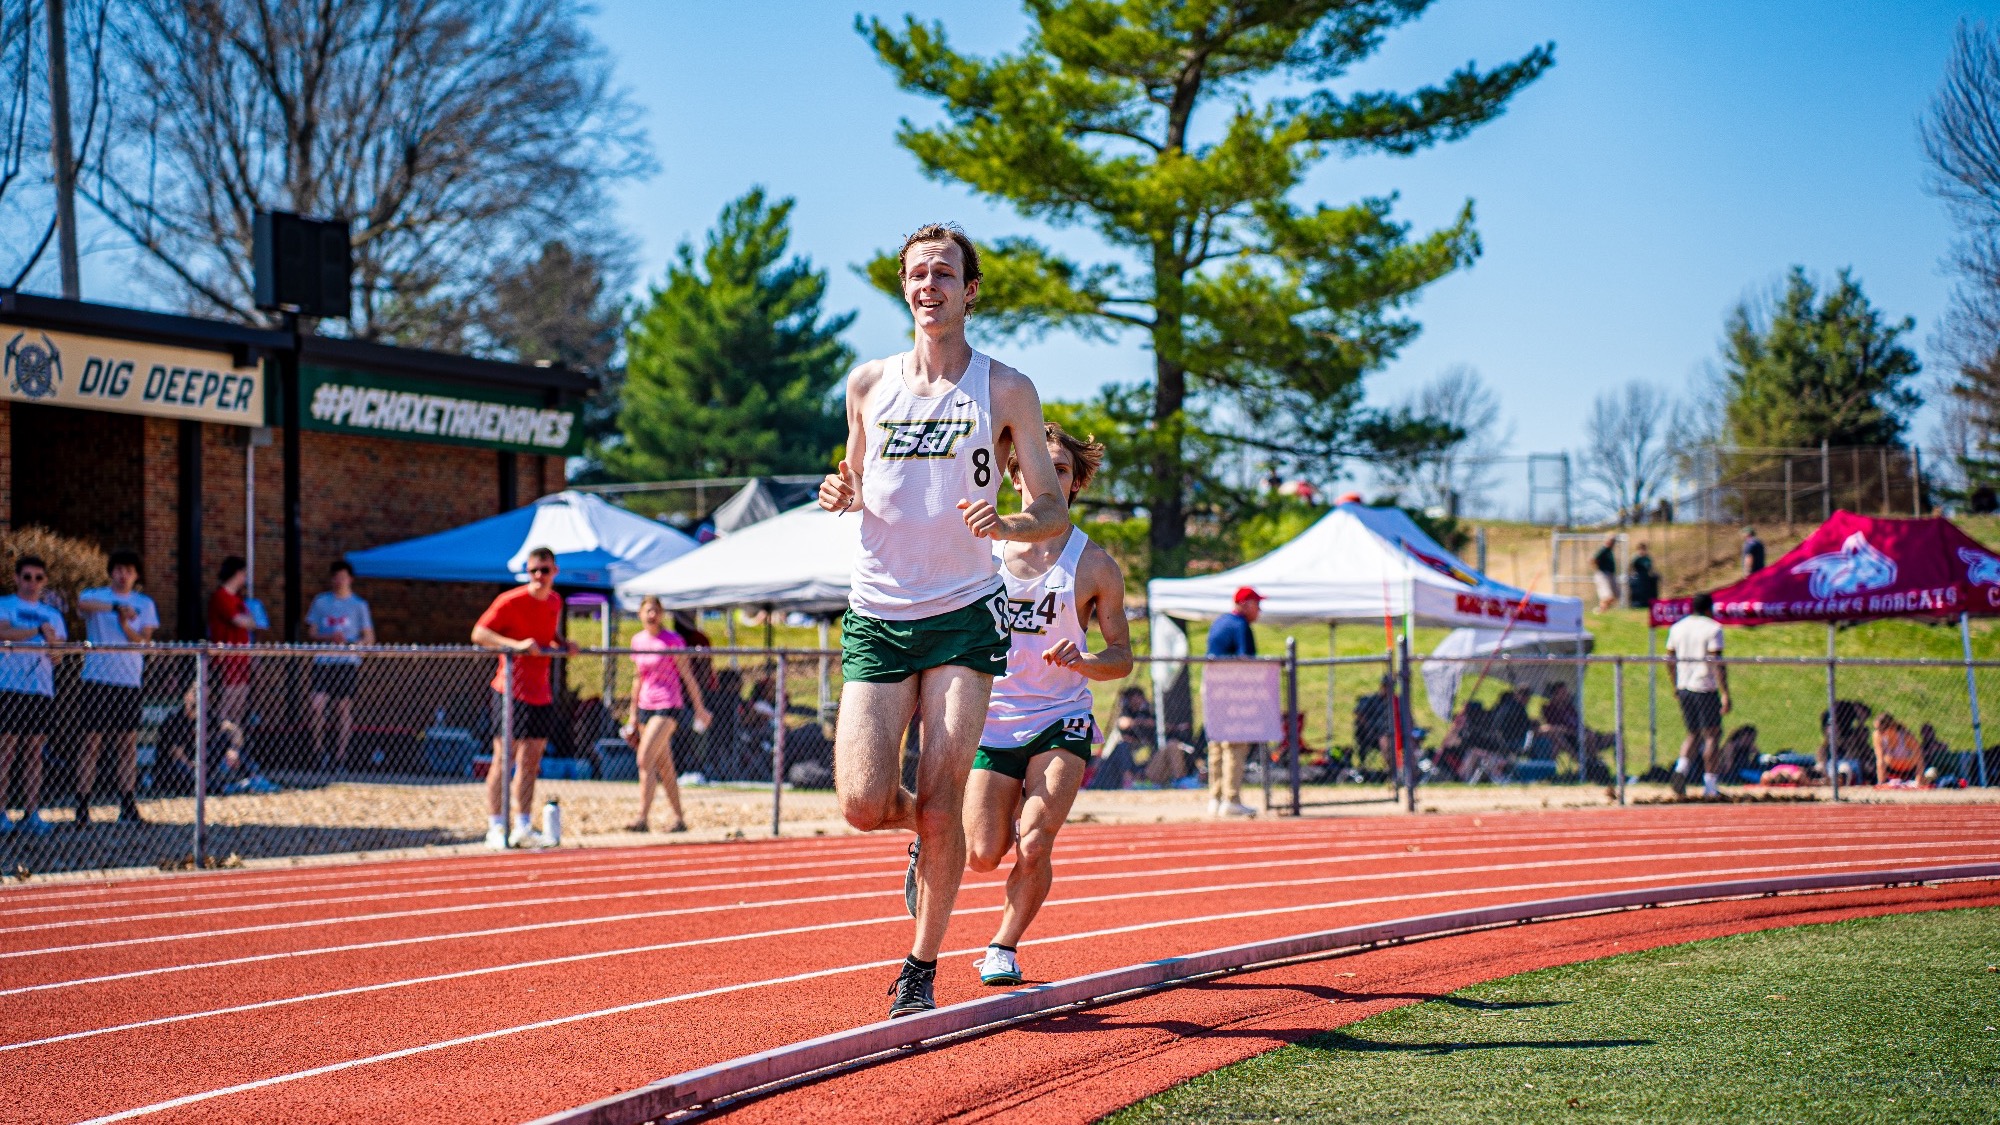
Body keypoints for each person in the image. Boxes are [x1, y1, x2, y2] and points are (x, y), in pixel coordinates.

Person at [817, 222, 1068, 1018]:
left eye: (946, 273)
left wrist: (1010, 526)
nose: (931, 286)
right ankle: (931, 837)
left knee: (940, 789)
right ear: (904, 287)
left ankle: (919, 968)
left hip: (964, 611)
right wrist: (839, 491)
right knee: (862, 802)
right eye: (918, 274)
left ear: (971, 290)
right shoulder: (868, 384)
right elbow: (854, 475)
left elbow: (1052, 506)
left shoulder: (1006, 388)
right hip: (878, 611)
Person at [963, 423, 1131, 987]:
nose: (1047, 478)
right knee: (983, 854)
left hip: (1061, 719)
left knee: (1034, 840)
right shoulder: (980, 553)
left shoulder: (1095, 566)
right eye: (1037, 467)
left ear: (1076, 481)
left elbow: (1123, 658)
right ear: (1015, 476)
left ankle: (1002, 946)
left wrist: (1084, 662)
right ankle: (930, 841)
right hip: (991, 720)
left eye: (1060, 469)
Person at [470, 546, 577, 848]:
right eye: (534, 571)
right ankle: (495, 825)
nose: (540, 576)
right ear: (527, 573)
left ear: (555, 571)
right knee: (503, 758)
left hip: (540, 692)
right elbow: (479, 633)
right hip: (510, 690)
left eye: (545, 570)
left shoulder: (555, 601)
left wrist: (564, 643)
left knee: (531, 761)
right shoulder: (510, 600)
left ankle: (523, 824)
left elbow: (549, 635)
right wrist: (515, 645)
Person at [75, 550, 159, 825]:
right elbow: (81, 604)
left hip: (128, 681)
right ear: (111, 571)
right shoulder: (96, 596)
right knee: (91, 743)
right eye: (119, 569)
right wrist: (114, 608)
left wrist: (124, 624)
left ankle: (127, 802)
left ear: (136, 575)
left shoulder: (143, 603)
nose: (123, 575)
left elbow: (144, 641)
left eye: (130, 570)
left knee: (127, 744)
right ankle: (83, 805)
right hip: (97, 679)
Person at [625, 595, 711, 833]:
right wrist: (632, 714)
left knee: (645, 758)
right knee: (664, 765)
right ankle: (679, 818)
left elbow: (687, 676)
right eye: (648, 611)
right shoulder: (638, 640)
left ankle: (642, 817)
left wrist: (699, 707)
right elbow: (638, 678)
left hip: (667, 704)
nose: (652, 615)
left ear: (661, 614)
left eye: (656, 611)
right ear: (640, 614)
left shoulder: (672, 641)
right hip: (645, 705)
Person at [0, 556, 64, 835]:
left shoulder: (53, 615)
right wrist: (37, 631)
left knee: (34, 752)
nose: (32, 583)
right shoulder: (5, 605)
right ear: (16, 578)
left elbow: (59, 655)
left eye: (38, 578)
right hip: (9, 687)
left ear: (45, 581)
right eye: (27, 577)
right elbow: (3, 633)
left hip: (40, 689)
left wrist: (52, 645)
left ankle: (31, 812)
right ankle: (1, 812)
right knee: (6, 750)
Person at [305, 561, 375, 771]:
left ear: (350, 579)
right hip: (324, 660)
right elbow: (312, 632)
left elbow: (369, 638)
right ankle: (318, 752)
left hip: (346, 662)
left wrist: (352, 645)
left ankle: (340, 757)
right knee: (317, 704)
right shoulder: (321, 602)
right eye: (336, 577)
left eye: (343, 577)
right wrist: (329, 637)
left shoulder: (358, 605)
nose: (339, 581)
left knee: (342, 707)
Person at [1203, 586, 1262, 817]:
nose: (1260, 610)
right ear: (1246, 603)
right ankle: (1232, 798)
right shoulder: (1240, 626)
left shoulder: (1219, 622)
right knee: (1235, 742)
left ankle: (1215, 798)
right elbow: (1246, 660)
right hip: (1232, 688)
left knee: (1216, 743)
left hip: (1212, 686)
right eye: (1257, 604)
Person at [1666, 592, 1730, 799]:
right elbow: (1716, 661)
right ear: (1708, 609)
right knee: (1711, 735)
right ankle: (1710, 784)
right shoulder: (1712, 628)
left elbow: (1669, 658)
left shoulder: (1677, 627)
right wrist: (1725, 692)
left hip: (1684, 684)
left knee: (1693, 733)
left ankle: (1681, 769)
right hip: (1704, 685)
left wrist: (1675, 683)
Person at [207, 556, 257, 727]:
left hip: (242, 657)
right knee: (226, 705)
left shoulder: (238, 600)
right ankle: (220, 743)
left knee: (240, 704)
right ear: (237, 573)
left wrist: (249, 620)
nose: (245, 578)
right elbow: (241, 621)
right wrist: (248, 620)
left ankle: (234, 746)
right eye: (243, 573)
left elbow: (252, 622)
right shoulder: (220, 596)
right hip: (226, 658)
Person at [1872, 712, 1922, 783]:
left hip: (1909, 771)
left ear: (1892, 727)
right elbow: (1880, 760)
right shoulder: (1877, 735)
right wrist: (1881, 783)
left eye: (1881, 729)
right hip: (1892, 771)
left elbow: (1919, 759)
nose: (1878, 732)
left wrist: (1919, 778)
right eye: (1876, 729)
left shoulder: (1906, 736)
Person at [1626, 543, 1658, 609]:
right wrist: (1631, 574)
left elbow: (1650, 568)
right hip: (1638, 577)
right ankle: (1636, 604)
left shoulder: (1647, 558)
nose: (1642, 551)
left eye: (1643, 549)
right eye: (1640, 549)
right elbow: (1630, 567)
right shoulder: (1635, 558)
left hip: (1645, 577)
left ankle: (1647, 603)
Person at [1592, 534, 1619, 612]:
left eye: (1614, 541)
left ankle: (1603, 610)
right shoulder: (1603, 549)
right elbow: (1593, 559)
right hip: (1603, 574)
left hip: (1610, 574)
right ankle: (1600, 610)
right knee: (1607, 596)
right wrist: (1599, 569)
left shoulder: (1609, 551)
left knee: (1615, 595)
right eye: (1611, 540)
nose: (1613, 542)